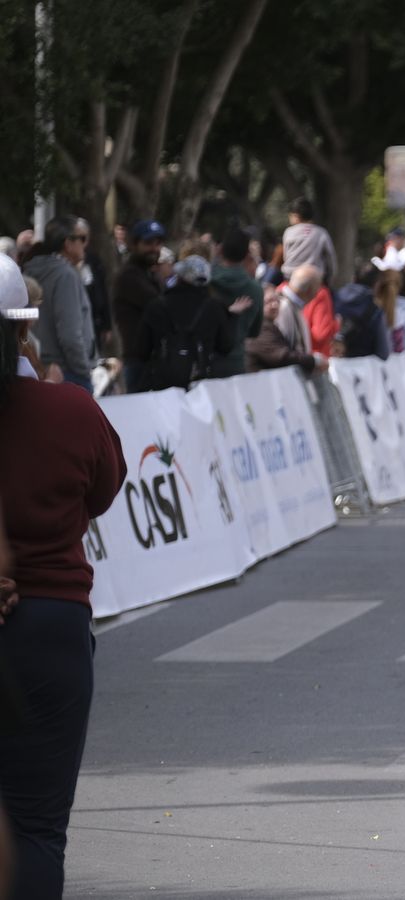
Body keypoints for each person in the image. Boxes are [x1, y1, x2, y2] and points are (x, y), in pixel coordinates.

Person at [0, 251, 127, 900]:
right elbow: (105, 490)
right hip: (50, 628)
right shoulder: (72, 412)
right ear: (23, 330)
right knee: (37, 830)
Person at [136, 256, 246, 391]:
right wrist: (232, 317)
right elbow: (225, 346)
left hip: (162, 386)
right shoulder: (213, 307)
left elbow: (141, 351)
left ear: (179, 277)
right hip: (199, 385)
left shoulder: (156, 306)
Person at [21, 216, 96, 392]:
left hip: (41, 369)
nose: (85, 244)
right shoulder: (65, 276)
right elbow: (70, 334)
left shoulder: (31, 269)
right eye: (82, 239)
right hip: (67, 373)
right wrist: (84, 371)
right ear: (68, 243)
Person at [112, 219, 166, 392]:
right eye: (148, 243)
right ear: (135, 245)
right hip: (138, 360)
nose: (154, 249)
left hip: (152, 358)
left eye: (158, 243)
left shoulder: (149, 274)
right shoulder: (130, 276)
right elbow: (158, 305)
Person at [208, 229, 265, 378]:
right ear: (247, 255)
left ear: (220, 250)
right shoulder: (255, 290)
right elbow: (254, 331)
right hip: (236, 365)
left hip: (206, 362)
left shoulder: (205, 283)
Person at [246, 286, 321, 374]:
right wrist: (314, 361)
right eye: (268, 301)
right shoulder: (260, 328)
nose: (275, 305)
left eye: (277, 300)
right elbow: (282, 357)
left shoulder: (268, 325)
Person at [281, 197, 338, 287]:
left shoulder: (288, 232)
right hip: (314, 280)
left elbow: (285, 256)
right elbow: (330, 258)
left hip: (290, 278)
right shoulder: (321, 232)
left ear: (296, 216)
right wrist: (330, 277)